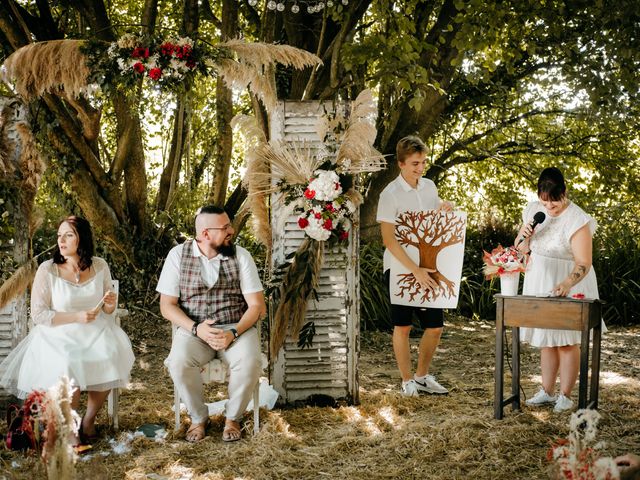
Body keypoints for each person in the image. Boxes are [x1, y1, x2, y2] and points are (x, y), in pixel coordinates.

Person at [0, 216, 135, 443]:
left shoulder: (100, 265)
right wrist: (77, 317)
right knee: (69, 362)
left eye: (68, 235)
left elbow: (109, 309)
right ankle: (70, 429)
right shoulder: (48, 269)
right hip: (58, 333)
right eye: (59, 236)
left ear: (82, 239)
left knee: (110, 355)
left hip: (95, 331)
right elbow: (39, 314)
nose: (61, 240)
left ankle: (88, 421)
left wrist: (110, 301)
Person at [157, 205, 264, 443]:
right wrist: (196, 328)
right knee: (178, 361)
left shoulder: (241, 256)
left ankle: (233, 417)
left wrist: (234, 333)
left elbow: (257, 306)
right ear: (205, 234)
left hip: (236, 327)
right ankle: (198, 418)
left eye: (230, 225)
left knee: (250, 360)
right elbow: (167, 306)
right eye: (225, 227)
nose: (231, 231)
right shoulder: (177, 256)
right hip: (195, 330)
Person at [515, 167, 601, 412]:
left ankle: (565, 395)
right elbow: (521, 248)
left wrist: (566, 284)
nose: (549, 208)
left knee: (565, 341)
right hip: (539, 279)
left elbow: (584, 263)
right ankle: (547, 391)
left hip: (569, 282)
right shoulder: (534, 210)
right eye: (545, 202)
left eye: (554, 203)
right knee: (547, 341)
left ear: (564, 193)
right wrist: (525, 236)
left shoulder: (577, 219)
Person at [376, 135, 454, 397]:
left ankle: (422, 377)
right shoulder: (390, 194)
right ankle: (407, 381)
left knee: (435, 326)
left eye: (423, 162)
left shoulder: (430, 187)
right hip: (399, 267)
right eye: (414, 164)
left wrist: (444, 210)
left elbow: (432, 225)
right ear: (401, 164)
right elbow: (388, 240)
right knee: (403, 326)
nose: (420, 168)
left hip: (428, 265)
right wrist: (414, 271)